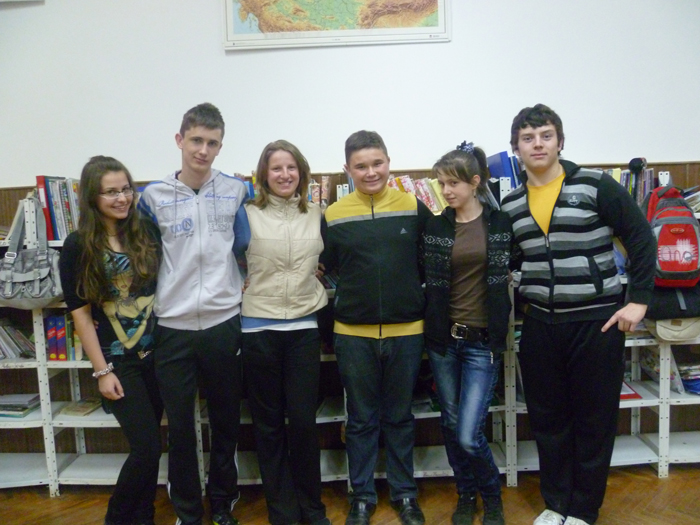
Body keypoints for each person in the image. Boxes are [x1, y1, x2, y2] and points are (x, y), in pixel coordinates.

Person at [500, 104, 656, 525]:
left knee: (593, 421)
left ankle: (584, 509)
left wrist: (638, 300)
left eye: (546, 135)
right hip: (540, 324)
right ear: (516, 148)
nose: (537, 144)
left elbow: (641, 237)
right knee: (548, 421)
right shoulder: (511, 203)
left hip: (596, 323)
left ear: (560, 142)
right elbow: (511, 258)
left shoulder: (594, 185)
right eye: (528, 138)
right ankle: (556, 504)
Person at [137, 103, 247, 525]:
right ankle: (187, 510)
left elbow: (248, 244)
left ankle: (222, 501)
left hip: (223, 322)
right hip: (173, 327)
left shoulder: (237, 190)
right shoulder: (153, 197)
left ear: (220, 146)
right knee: (181, 426)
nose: (203, 150)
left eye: (212, 143)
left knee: (225, 420)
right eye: (196, 140)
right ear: (179, 140)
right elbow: (144, 259)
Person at [321, 131, 433, 525]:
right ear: (347, 169)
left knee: (400, 417)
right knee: (361, 420)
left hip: (407, 331)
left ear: (388, 162)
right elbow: (327, 265)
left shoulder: (413, 207)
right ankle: (362, 497)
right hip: (353, 335)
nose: (371, 172)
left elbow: (428, 260)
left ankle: (405, 495)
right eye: (361, 166)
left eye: (377, 163)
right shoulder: (333, 215)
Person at [59, 155, 163, 525]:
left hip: (157, 356)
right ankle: (116, 518)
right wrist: (102, 371)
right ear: (93, 197)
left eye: (126, 189)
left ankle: (144, 516)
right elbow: (80, 314)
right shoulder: (77, 246)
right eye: (111, 192)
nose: (122, 198)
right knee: (146, 448)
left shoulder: (146, 232)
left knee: (153, 447)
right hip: (118, 363)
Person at [235, 140, 330, 525]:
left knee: (304, 423)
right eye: (276, 168)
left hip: (305, 326)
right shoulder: (245, 215)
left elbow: (327, 260)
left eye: (291, 167)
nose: (285, 175)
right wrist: (238, 279)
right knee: (269, 425)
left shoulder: (318, 214)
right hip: (258, 327)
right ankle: (283, 511)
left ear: (301, 173)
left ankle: (312, 507)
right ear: (263, 175)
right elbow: (223, 259)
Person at [423, 143, 511, 525]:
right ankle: (466, 493)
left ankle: (492, 497)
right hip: (444, 342)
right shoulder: (436, 226)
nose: (447, 191)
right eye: (442, 184)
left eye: (453, 183)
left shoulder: (500, 223)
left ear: (475, 182)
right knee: (449, 423)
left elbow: (514, 263)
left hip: (482, 343)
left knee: (468, 434)